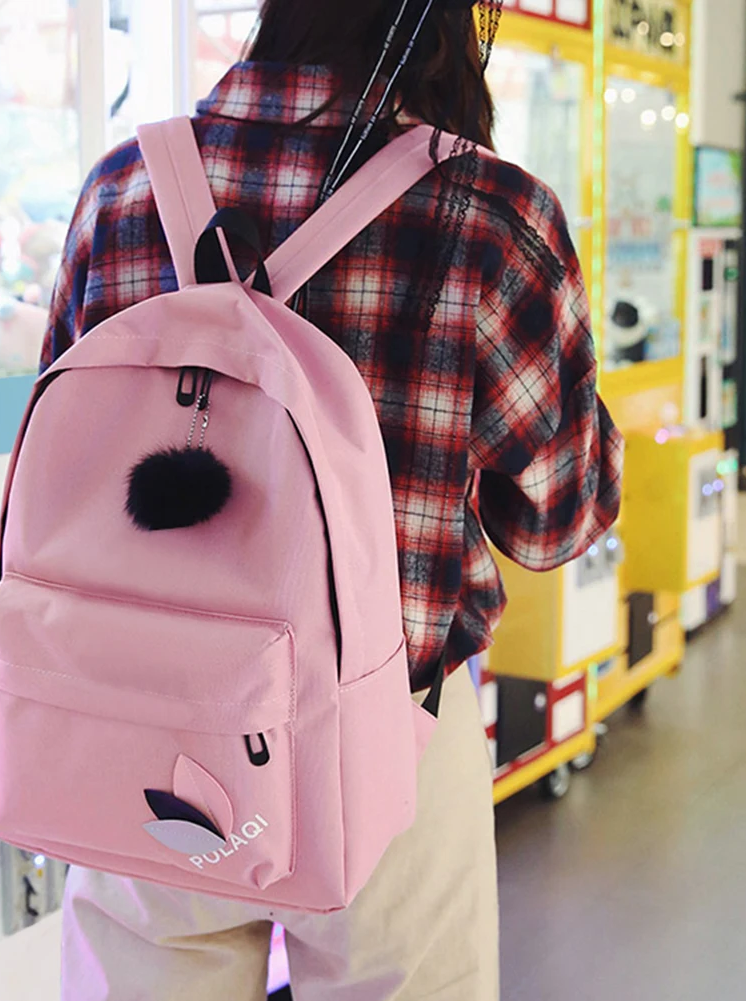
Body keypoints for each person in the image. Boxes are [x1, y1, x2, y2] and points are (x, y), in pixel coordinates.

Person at [41, 0, 623, 997]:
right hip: (381, 734)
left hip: (137, 717)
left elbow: (62, 460)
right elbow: (557, 518)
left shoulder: (123, 185)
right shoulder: (490, 212)